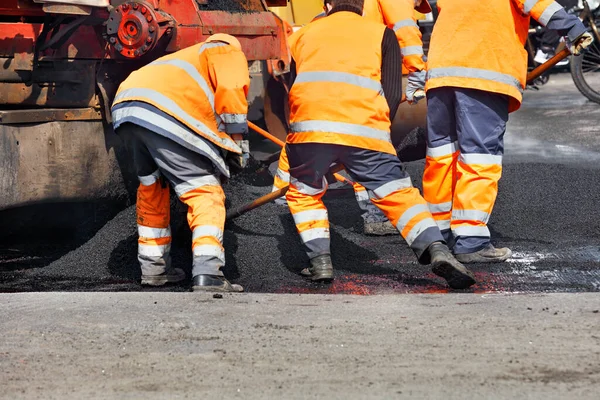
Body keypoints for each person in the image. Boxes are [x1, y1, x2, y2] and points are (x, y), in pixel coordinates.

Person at [284, 0, 476, 290]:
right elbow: (391, 91)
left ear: (327, 4)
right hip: (366, 131)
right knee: (398, 192)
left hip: (310, 132)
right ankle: (437, 248)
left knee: (303, 192)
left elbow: (295, 85)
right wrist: (371, 133)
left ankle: (320, 262)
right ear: (361, 6)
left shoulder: (302, 34)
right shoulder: (380, 33)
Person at [424, 0, 593, 263]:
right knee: (479, 156)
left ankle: (436, 236)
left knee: (443, 155)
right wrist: (572, 26)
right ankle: (470, 241)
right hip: (483, 67)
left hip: (440, 71)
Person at [271, 0, 432, 236]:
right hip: (365, 62)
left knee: (311, 127)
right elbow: (405, 31)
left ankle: (287, 189)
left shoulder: (315, 27)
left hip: (341, 62)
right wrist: (416, 69)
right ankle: (378, 215)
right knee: (366, 143)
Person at [111, 34, 251, 292]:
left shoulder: (185, 60)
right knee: (203, 190)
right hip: (162, 110)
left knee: (153, 189)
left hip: (126, 109)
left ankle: (154, 270)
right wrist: (239, 141)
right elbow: (231, 91)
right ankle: (209, 274)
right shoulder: (225, 48)